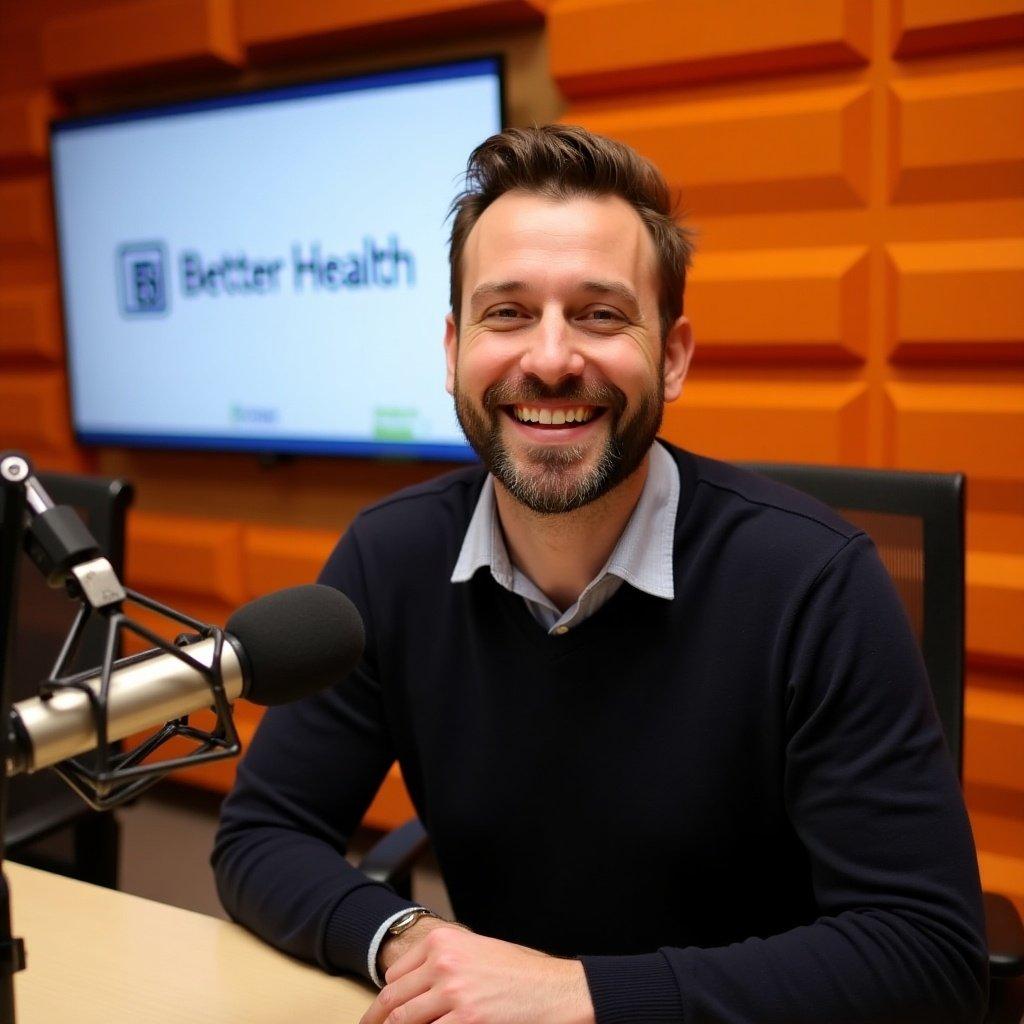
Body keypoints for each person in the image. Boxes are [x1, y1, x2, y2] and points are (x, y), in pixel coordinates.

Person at [213, 126, 988, 1023]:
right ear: (453, 349)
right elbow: (261, 834)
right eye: (507, 314)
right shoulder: (389, 558)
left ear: (674, 355)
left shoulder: (815, 581)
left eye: (601, 314)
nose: (549, 359)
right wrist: (410, 941)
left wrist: (584, 994)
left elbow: (927, 952)